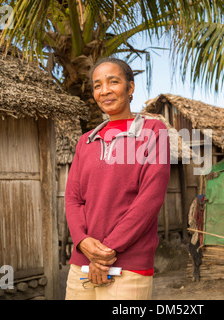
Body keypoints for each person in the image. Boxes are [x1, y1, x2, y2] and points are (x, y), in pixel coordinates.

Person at [64, 57, 170, 300]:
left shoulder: (153, 131)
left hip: (128, 265)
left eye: (113, 82)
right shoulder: (85, 141)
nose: (105, 91)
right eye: (97, 85)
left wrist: (105, 253)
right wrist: (82, 242)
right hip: (81, 262)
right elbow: (73, 199)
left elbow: (149, 200)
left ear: (130, 88)